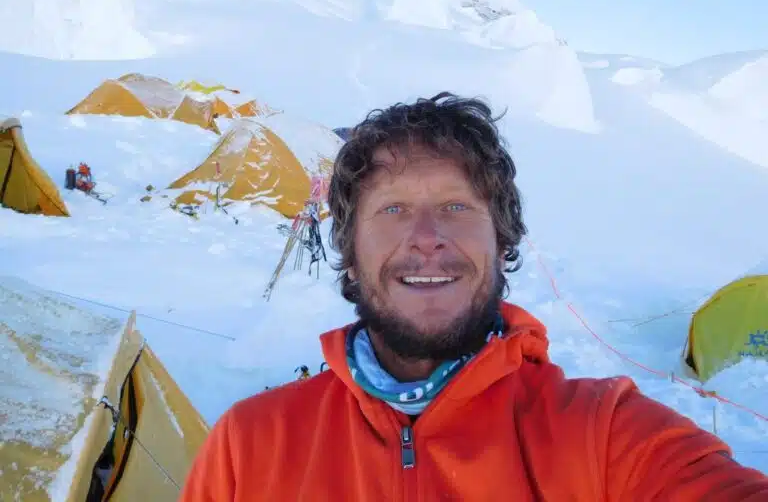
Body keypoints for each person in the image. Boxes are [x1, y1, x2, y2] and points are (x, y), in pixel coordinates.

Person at [179, 92, 768, 501]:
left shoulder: (604, 435)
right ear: (350, 253)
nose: (427, 237)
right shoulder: (248, 447)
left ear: (501, 239)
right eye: (393, 209)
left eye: (457, 206)